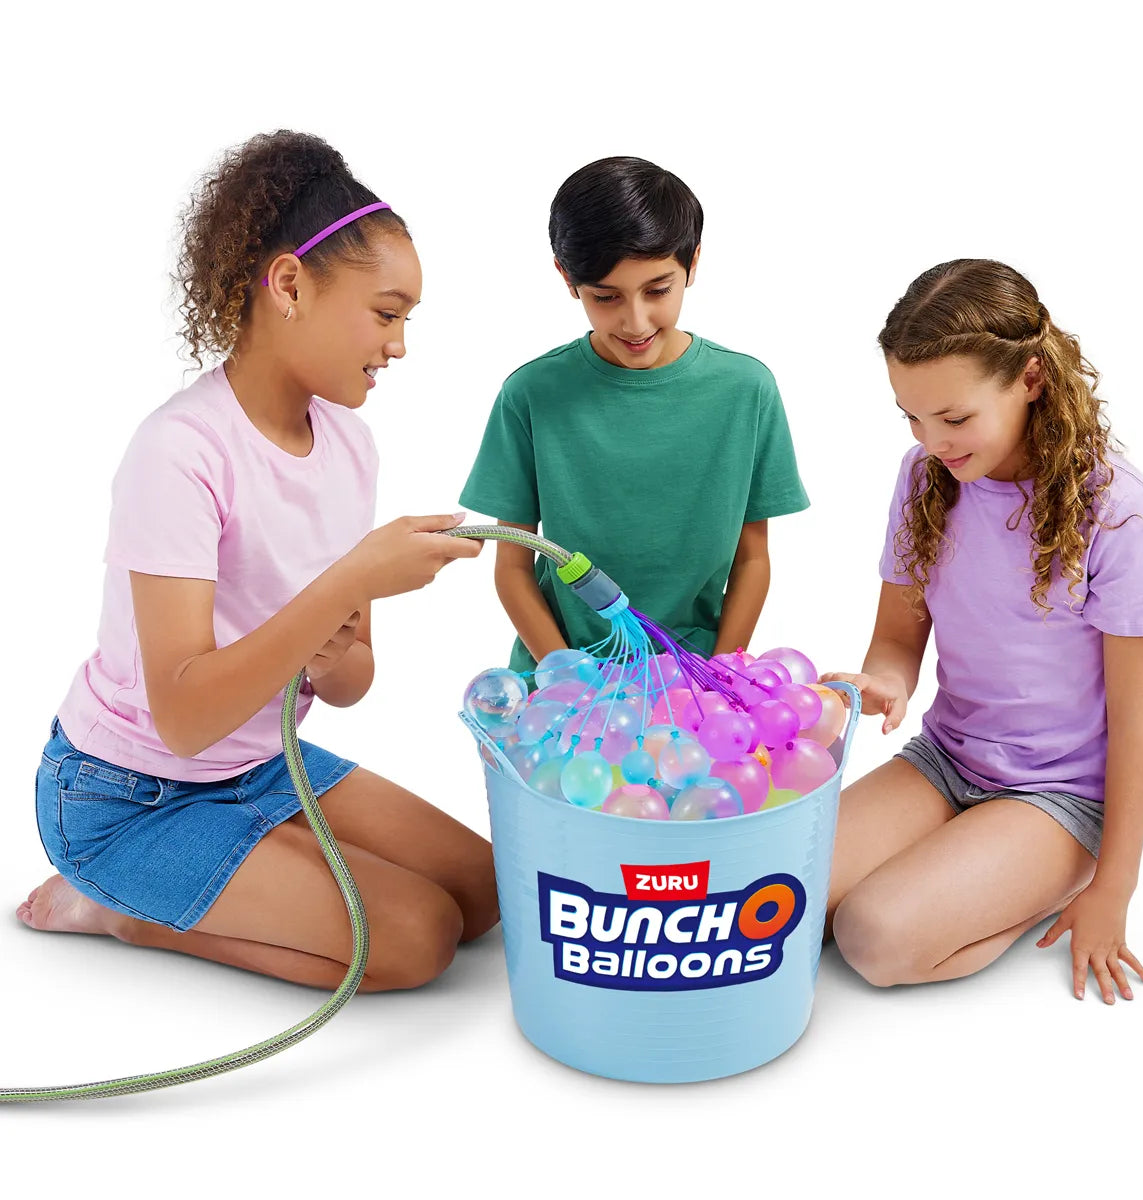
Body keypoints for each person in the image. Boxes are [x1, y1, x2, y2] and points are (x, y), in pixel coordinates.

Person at [16, 130, 496, 992]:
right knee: (417, 937)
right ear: (289, 285)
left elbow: (350, 682)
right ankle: (121, 910)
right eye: (385, 313)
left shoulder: (349, 446)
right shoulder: (181, 452)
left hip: (258, 767)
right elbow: (182, 719)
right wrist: (352, 580)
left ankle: (237, 867)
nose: (398, 345)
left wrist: (337, 644)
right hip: (128, 795)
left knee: (485, 892)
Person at [822, 258, 1143, 1002]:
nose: (933, 441)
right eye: (912, 417)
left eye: (954, 419)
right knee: (782, 895)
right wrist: (884, 682)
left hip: (1061, 795)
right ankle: (973, 866)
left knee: (872, 936)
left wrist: (1113, 888)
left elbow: (1139, 725)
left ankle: (1051, 878)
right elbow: (897, 639)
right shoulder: (925, 477)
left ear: (1031, 378)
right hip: (947, 759)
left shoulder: (1124, 515)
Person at [459, 156, 808, 679]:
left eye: (658, 290)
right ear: (566, 277)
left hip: (697, 679)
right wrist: (565, 674)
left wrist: (719, 675)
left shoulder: (747, 390)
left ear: (693, 263)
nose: (636, 321)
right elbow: (512, 566)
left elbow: (752, 558)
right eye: (606, 297)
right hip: (560, 678)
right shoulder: (531, 394)